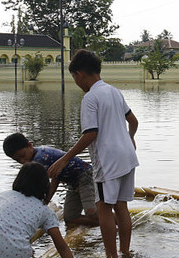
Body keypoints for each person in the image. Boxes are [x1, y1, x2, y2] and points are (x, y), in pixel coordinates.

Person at [49, 49, 139, 258]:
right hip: (127, 156)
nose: (75, 82)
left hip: (107, 160)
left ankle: (111, 256)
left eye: (74, 77)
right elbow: (133, 121)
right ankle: (125, 252)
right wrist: (130, 138)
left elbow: (90, 134)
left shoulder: (91, 98)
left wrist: (64, 159)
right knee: (121, 206)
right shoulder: (114, 91)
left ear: (79, 74)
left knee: (104, 207)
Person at [0, 162, 73, 258]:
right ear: (44, 186)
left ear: (19, 179)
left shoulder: (4, 195)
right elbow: (61, 247)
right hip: (17, 254)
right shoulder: (46, 211)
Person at [3, 132, 98, 227]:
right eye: (17, 160)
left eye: (23, 156)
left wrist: (45, 201)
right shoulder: (36, 154)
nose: (22, 161)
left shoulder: (40, 159)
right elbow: (55, 178)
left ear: (30, 145)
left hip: (85, 176)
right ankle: (103, 225)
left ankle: (109, 222)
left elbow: (48, 184)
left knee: (91, 212)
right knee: (70, 218)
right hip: (72, 182)